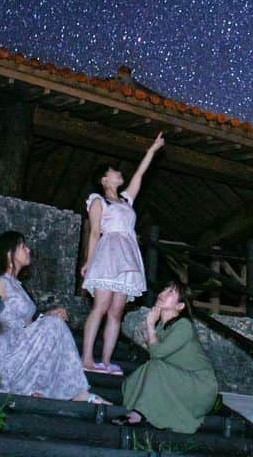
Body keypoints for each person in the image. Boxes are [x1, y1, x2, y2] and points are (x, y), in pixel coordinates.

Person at [0, 230, 106, 403]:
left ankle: (50, 388)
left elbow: (27, 327)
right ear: (10, 254)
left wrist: (47, 315)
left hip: (18, 354)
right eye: (23, 246)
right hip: (2, 361)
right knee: (54, 325)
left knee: (55, 322)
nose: (28, 250)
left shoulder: (17, 286)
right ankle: (73, 393)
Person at [81, 132, 165, 374]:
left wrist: (152, 149)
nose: (119, 173)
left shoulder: (126, 200)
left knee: (116, 311)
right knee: (101, 305)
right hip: (108, 254)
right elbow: (95, 231)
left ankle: (106, 362)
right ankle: (87, 358)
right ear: (104, 179)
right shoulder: (98, 201)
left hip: (128, 255)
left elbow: (140, 175)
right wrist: (89, 261)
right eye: (113, 171)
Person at [114, 281, 219, 433]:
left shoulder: (184, 325)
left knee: (154, 367)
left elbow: (156, 354)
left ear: (180, 306)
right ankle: (150, 410)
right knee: (132, 380)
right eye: (165, 289)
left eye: (171, 292)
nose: (164, 293)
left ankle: (139, 413)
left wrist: (149, 325)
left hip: (199, 387)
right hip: (178, 378)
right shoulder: (162, 327)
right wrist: (153, 327)